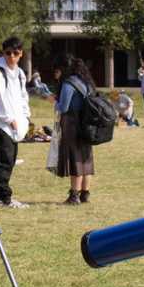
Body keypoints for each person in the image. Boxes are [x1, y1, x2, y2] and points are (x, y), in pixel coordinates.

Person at [0, 36, 31, 209]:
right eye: (8, 53)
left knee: (11, 159)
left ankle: (4, 194)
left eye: (16, 53)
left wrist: (26, 116)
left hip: (18, 121)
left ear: (21, 54)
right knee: (5, 160)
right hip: (3, 123)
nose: (12, 56)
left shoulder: (20, 73)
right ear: (3, 53)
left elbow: (23, 95)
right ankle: (3, 196)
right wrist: (8, 119)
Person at [54, 55, 96, 204]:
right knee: (86, 159)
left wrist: (55, 103)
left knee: (75, 159)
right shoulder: (87, 82)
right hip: (87, 124)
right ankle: (85, 194)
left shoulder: (68, 83)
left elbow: (64, 107)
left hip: (72, 123)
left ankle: (74, 195)